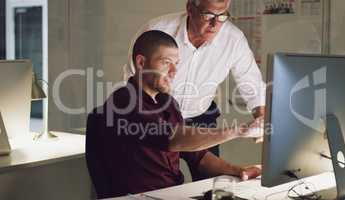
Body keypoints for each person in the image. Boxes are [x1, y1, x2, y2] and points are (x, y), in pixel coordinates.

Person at [86, 30, 261, 198]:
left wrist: (238, 170)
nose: (174, 71)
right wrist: (239, 130)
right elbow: (173, 139)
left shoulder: (167, 102)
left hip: (170, 193)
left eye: (176, 63)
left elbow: (197, 157)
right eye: (166, 62)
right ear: (141, 63)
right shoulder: (123, 102)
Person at [125, 0, 266, 160]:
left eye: (222, 16)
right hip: (157, 115)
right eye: (208, 15)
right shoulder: (157, 30)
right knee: (155, 176)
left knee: (210, 177)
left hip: (200, 115)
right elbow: (132, 78)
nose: (215, 24)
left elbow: (253, 86)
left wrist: (262, 122)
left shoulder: (233, 39)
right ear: (190, 9)